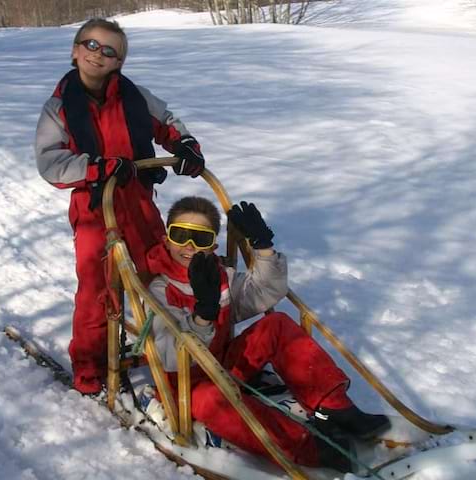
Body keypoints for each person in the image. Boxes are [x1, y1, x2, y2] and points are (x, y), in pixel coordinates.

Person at [146, 196, 390, 473]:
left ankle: (335, 408)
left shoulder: (221, 276)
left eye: (200, 238)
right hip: (187, 386)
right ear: (167, 239)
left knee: (277, 323)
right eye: (180, 235)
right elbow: (168, 357)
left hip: (224, 365)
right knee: (213, 397)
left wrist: (263, 248)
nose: (189, 246)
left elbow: (264, 292)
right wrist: (203, 315)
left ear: (212, 244)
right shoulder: (158, 289)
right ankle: (307, 446)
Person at [35, 18, 206, 395]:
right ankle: (90, 367)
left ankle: (177, 353)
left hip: (140, 203)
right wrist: (96, 167)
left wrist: (186, 146)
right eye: (91, 45)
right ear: (76, 51)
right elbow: (51, 163)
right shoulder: (59, 107)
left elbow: (167, 123)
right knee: (99, 291)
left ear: (119, 63)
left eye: (109, 51)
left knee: (159, 277)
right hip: (96, 208)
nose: (98, 54)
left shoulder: (135, 97)